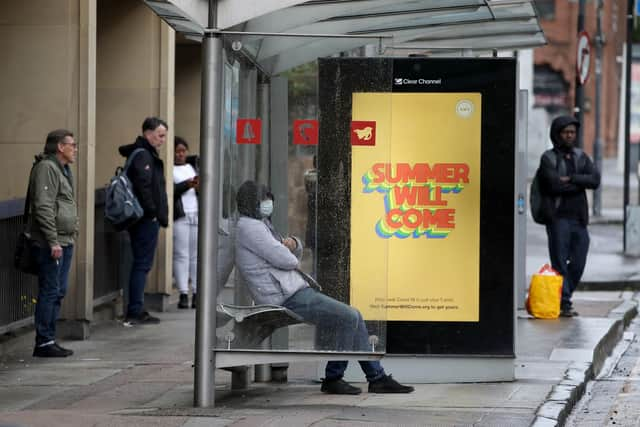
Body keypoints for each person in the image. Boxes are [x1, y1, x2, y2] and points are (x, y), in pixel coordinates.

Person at [234, 181, 414, 395]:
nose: (267, 203)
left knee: (353, 315)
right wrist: (289, 248)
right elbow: (288, 261)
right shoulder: (251, 227)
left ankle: (376, 378)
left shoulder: (260, 224)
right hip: (285, 296)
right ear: (252, 202)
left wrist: (292, 243)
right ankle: (336, 378)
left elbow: (291, 249)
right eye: (263, 199)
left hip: (291, 292)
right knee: (349, 316)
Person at [537, 116, 600, 317]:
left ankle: (563, 296)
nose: (570, 135)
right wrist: (580, 183)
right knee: (559, 262)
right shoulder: (548, 158)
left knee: (579, 261)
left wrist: (571, 179)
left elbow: (595, 180)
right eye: (566, 132)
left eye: (572, 132)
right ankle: (564, 303)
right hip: (557, 219)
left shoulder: (581, 157)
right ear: (557, 134)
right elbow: (553, 184)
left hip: (579, 219)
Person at [29, 129, 79, 357]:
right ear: (60, 146)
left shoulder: (63, 170)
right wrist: (53, 240)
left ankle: (49, 338)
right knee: (50, 290)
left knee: (58, 290)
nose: (75, 149)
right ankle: (44, 342)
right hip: (53, 241)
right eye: (72, 145)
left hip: (65, 239)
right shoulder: (47, 168)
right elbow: (44, 206)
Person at [119, 117, 169, 325]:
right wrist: (153, 213)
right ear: (148, 133)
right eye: (160, 135)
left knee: (141, 264)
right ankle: (135, 310)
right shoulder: (143, 156)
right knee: (142, 264)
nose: (163, 140)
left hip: (143, 217)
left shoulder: (144, 154)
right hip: (144, 219)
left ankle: (136, 308)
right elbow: (144, 187)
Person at [173, 137, 199, 309]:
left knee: (196, 256)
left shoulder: (192, 167)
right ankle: (183, 292)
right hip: (181, 215)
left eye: (184, 150)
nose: (181, 154)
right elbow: (171, 191)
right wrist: (187, 184)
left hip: (196, 213)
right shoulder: (171, 169)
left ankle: (196, 291)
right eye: (178, 150)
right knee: (181, 255)